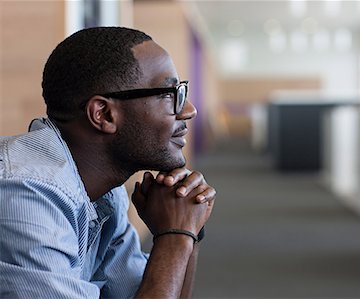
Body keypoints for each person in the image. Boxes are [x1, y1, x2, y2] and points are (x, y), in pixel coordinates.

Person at [0, 26, 216, 298]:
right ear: (103, 114)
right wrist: (176, 234)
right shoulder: (25, 194)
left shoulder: (106, 194)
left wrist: (186, 228)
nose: (189, 110)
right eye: (168, 95)